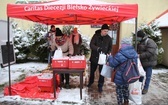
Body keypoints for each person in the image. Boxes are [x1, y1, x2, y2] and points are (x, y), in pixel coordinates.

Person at [108, 38, 138, 105]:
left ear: (123, 44)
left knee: (119, 90)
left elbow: (112, 63)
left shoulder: (120, 54)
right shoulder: (135, 53)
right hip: (128, 75)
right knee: (126, 89)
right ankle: (126, 102)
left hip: (120, 76)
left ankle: (120, 103)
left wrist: (110, 58)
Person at [87, 24, 112, 93]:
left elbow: (110, 47)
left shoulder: (108, 38)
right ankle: (90, 82)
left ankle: (100, 85)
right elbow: (91, 45)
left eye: (107, 31)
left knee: (102, 73)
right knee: (92, 71)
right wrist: (97, 48)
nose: (106, 33)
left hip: (103, 58)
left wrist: (108, 52)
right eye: (104, 31)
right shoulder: (96, 36)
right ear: (101, 30)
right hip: (94, 57)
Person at [137, 30, 158, 94]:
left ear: (142, 36)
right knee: (141, 74)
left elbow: (150, 52)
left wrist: (140, 55)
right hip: (142, 62)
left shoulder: (149, 41)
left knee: (148, 76)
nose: (138, 38)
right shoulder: (140, 42)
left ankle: (146, 88)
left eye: (138, 37)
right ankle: (139, 87)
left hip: (149, 62)